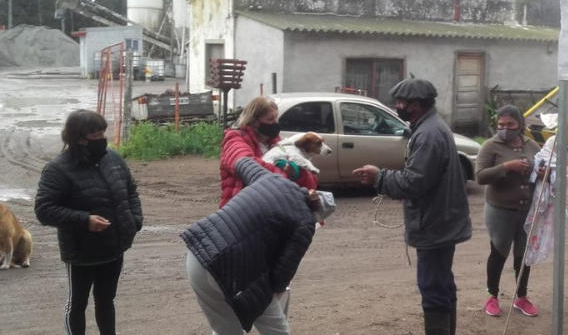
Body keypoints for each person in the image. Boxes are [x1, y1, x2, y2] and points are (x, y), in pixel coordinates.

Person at [352, 78, 471, 335]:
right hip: (441, 221)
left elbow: (414, 183)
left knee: (433, 288)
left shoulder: (428, 134)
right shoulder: (430, 127)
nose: (397, 106)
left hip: (435, 224)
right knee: (441, 284)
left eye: (401, 102)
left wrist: (379, 177)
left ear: (416, 105)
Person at [182, 157, 334, 334]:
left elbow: (242, 162)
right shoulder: (306, 222)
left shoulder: (272, 179)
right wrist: (272, 294)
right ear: (319, 216)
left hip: (198, 252)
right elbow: (282, 274)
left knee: (226, 331)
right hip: (237, 271)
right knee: (277, 331)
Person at [34, 109, 143, 335]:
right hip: (81, 252)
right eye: (96, 136)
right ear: (79, 139)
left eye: (103, 133)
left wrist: (134, 220)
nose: (102, 139)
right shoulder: (58, 169)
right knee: (78, 303)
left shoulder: (112, 159)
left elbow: (130, 190)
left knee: (106, 301)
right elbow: (44, 210)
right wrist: (85, 221)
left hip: (114, 247)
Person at [475, 105, 541, 317]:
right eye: (501, 125)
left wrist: (542, 171)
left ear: (520, 124)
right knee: (499, 252)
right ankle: (492, 296)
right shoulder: (490, 146)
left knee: (523, 255)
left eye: (510, 124)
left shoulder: (532, 145)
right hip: (500, 210)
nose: (505, 129)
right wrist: (507, 167)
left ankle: (521, 298)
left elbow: (542, 167)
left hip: (526, 209)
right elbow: (481, 177)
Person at [219, 96, 317, 208]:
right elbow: (246, 165)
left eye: (276, 118)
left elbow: (311, 181)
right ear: (254, 121)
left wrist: (297, 173)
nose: (275, 123)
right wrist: (285, 173)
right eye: (270, 119)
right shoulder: (235, 140)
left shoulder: (277, 143)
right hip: (242, 210)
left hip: (271, 209)